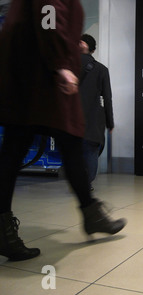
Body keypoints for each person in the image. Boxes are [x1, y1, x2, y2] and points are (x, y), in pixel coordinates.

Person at [0, 0, 126, 262]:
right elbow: (49, 16)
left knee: (21, 148)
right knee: (55, 144)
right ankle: (90, 213)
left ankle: (90, 213)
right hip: (41, 78)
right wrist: (60, 64)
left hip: (29, 75)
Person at [79, 34, 114, 190]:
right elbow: (107, 98)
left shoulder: (68, 66)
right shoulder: (101, 69)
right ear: (92, 49)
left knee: (74, 151)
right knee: (91, 151)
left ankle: (78, 182)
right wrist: (110, 122)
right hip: (93, 118)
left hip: (72, 116)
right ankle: (86, 183)